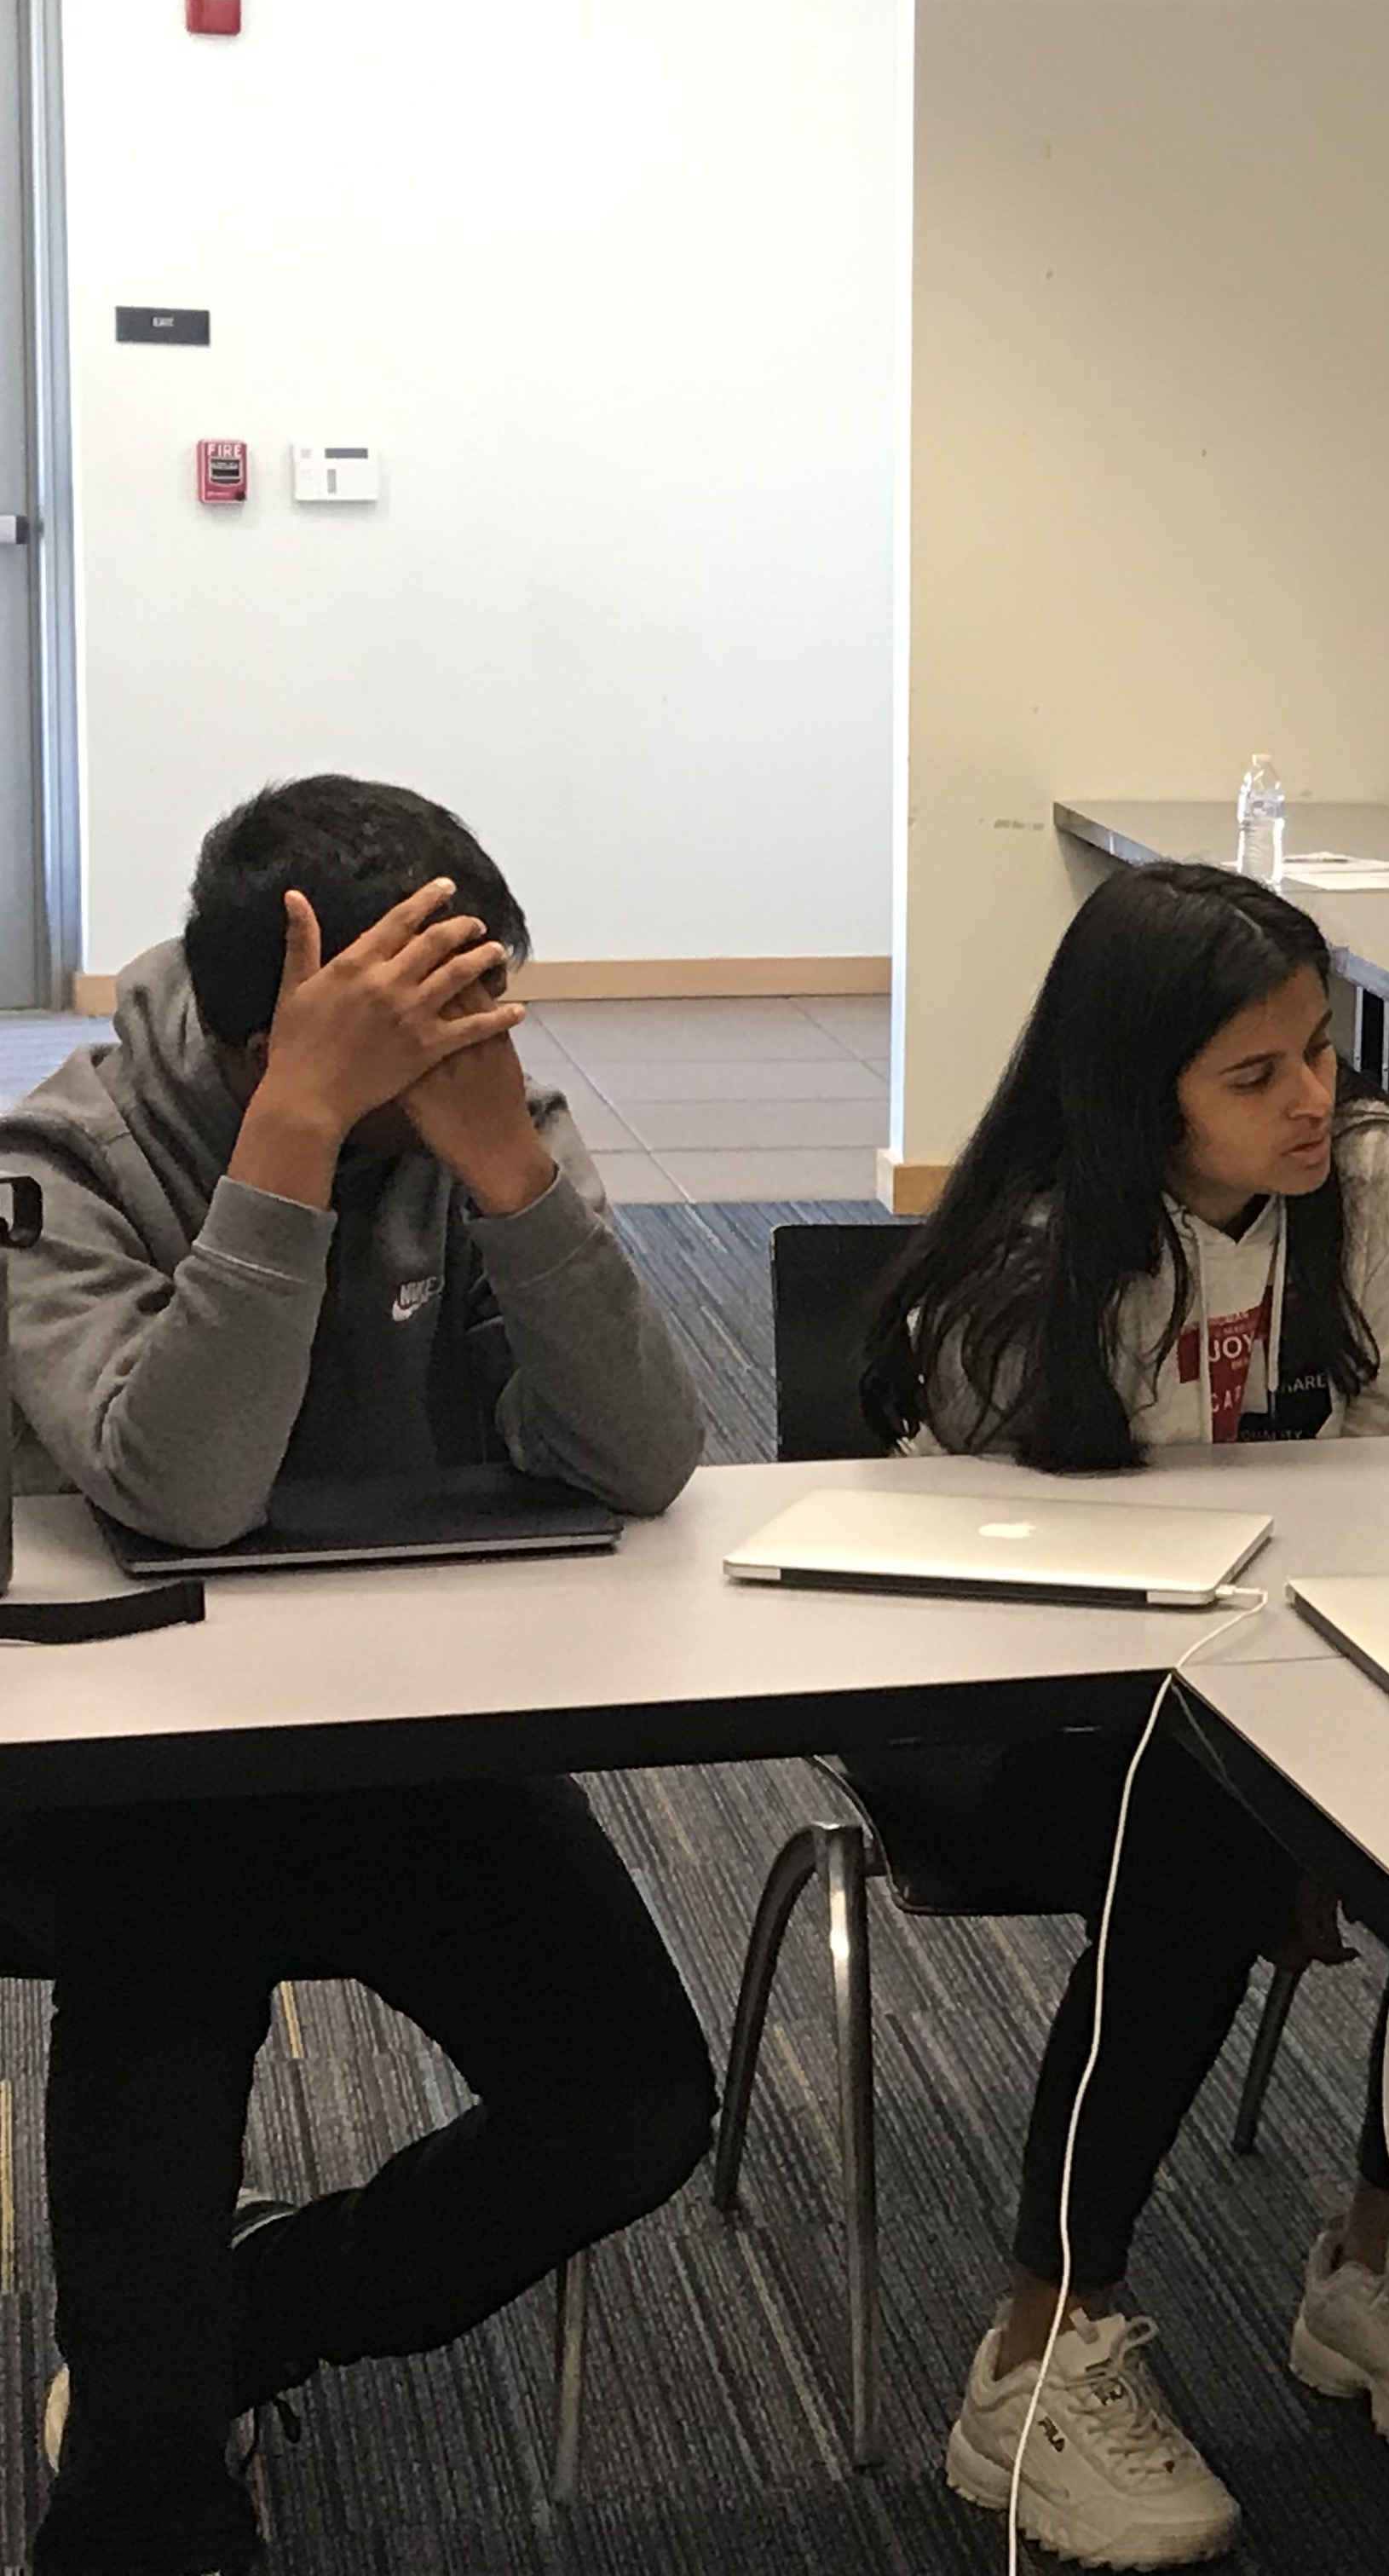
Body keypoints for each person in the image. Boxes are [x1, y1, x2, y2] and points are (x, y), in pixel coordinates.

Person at [0, 776, 715, 2576]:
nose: (489, 1067)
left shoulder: (478, 1121)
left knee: (632, 2098)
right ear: (275, 1045)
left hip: (401, 1726)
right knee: (163, 2001)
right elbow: (181, 1490)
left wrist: (511, 1177)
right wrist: (295, 1143)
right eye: (430, 1042)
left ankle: (234, 2321)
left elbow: (639, 1456)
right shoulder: (70, 1159)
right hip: (144, 1747)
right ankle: (144, 2496)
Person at [850, 860, 1389, 2570]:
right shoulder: (1034, 1256)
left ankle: (1379, 2253)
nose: (1315, 1099)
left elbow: (1383, 1467)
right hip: (1003, 1699)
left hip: (1258, 1664)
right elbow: (988, 1589)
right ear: (1142, 1092)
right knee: (1199, 1827)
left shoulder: (1365, 1179)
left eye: (1320, 1049)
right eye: (1254, 1073)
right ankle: (1037, 2351)